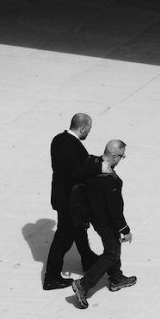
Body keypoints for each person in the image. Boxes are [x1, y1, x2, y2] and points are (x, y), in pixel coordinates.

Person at [71, 139, 136, 309]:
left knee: (114, 247)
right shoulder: (109, 181)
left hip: (93, 216)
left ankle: (116, 278)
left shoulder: (92, 163)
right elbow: (115, 211)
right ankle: (83, 285)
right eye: (122, 156)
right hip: (105, 221)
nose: (122, 159)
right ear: (115, 156)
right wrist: (125, 229)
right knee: (111, 253)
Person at [43, 113, 102, 290]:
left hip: (61, 195)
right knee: (63, 237)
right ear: (82, 128)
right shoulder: (72, 145)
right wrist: (96, 166)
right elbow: (76, 173)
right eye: (89, 129)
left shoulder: (58, 139)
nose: (89, 133)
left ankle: (88, 259)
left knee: (78, 228)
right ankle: (51, 277)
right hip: (70, 200)